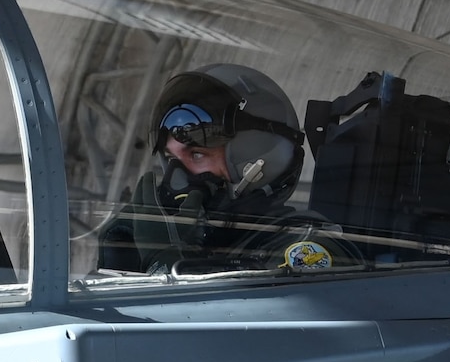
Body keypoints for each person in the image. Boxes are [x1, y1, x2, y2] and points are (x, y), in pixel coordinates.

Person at [97, 63, 344, 275]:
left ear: (256, 164)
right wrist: (121, 264)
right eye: (170, 156)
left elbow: (237, 327)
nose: (177, 176)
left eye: (197, 154)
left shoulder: (305, 249)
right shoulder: (198, 246)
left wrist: (165, 264)